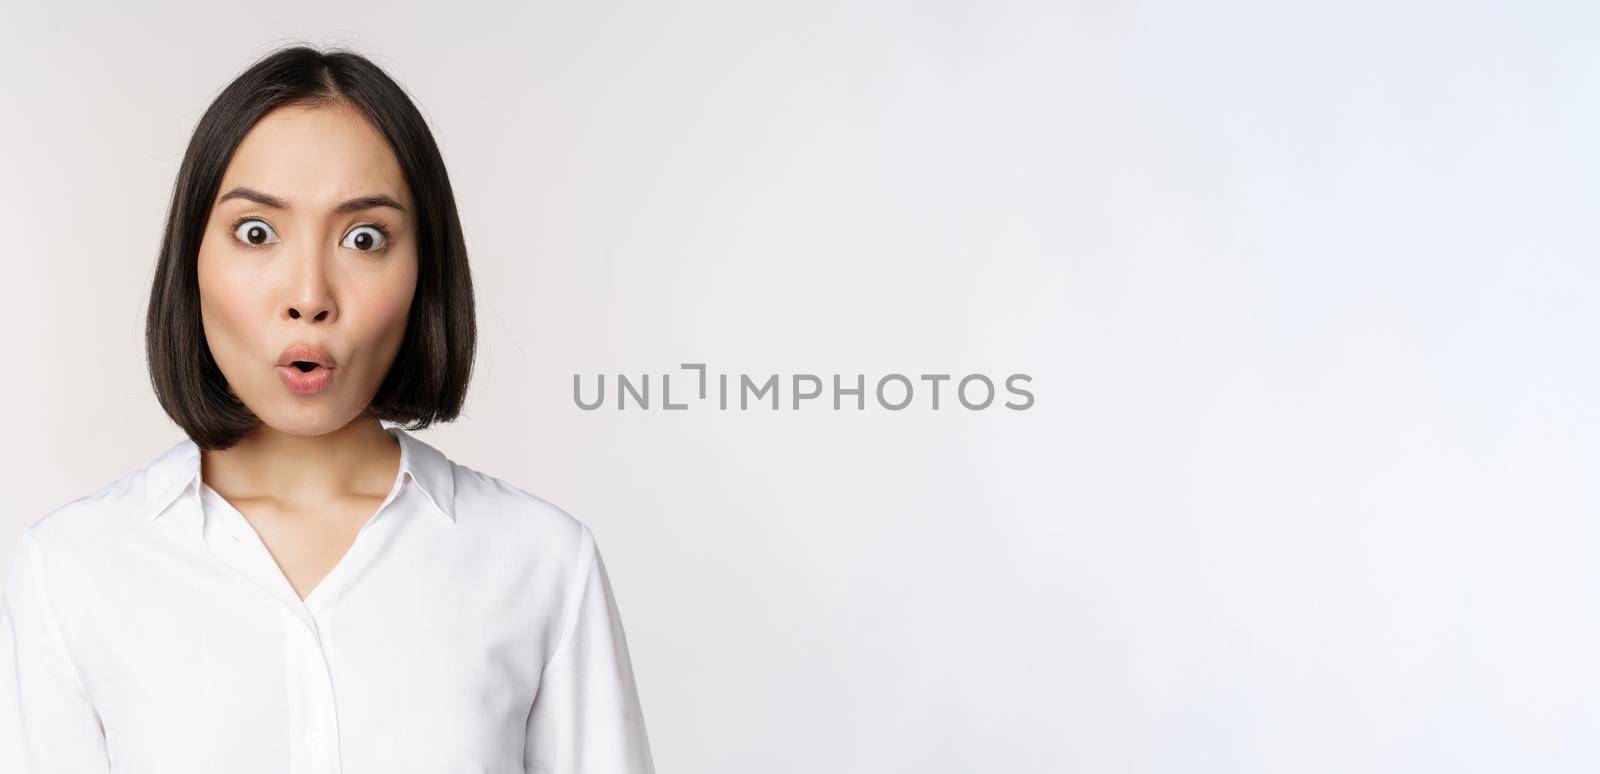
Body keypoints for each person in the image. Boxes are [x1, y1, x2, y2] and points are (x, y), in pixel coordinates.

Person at [0, 45, 655, 773]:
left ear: (423, 274)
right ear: (191, 258)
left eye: (364, 238)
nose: (308, 295)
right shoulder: (73, 571)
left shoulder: (542, 565)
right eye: (257, 233)